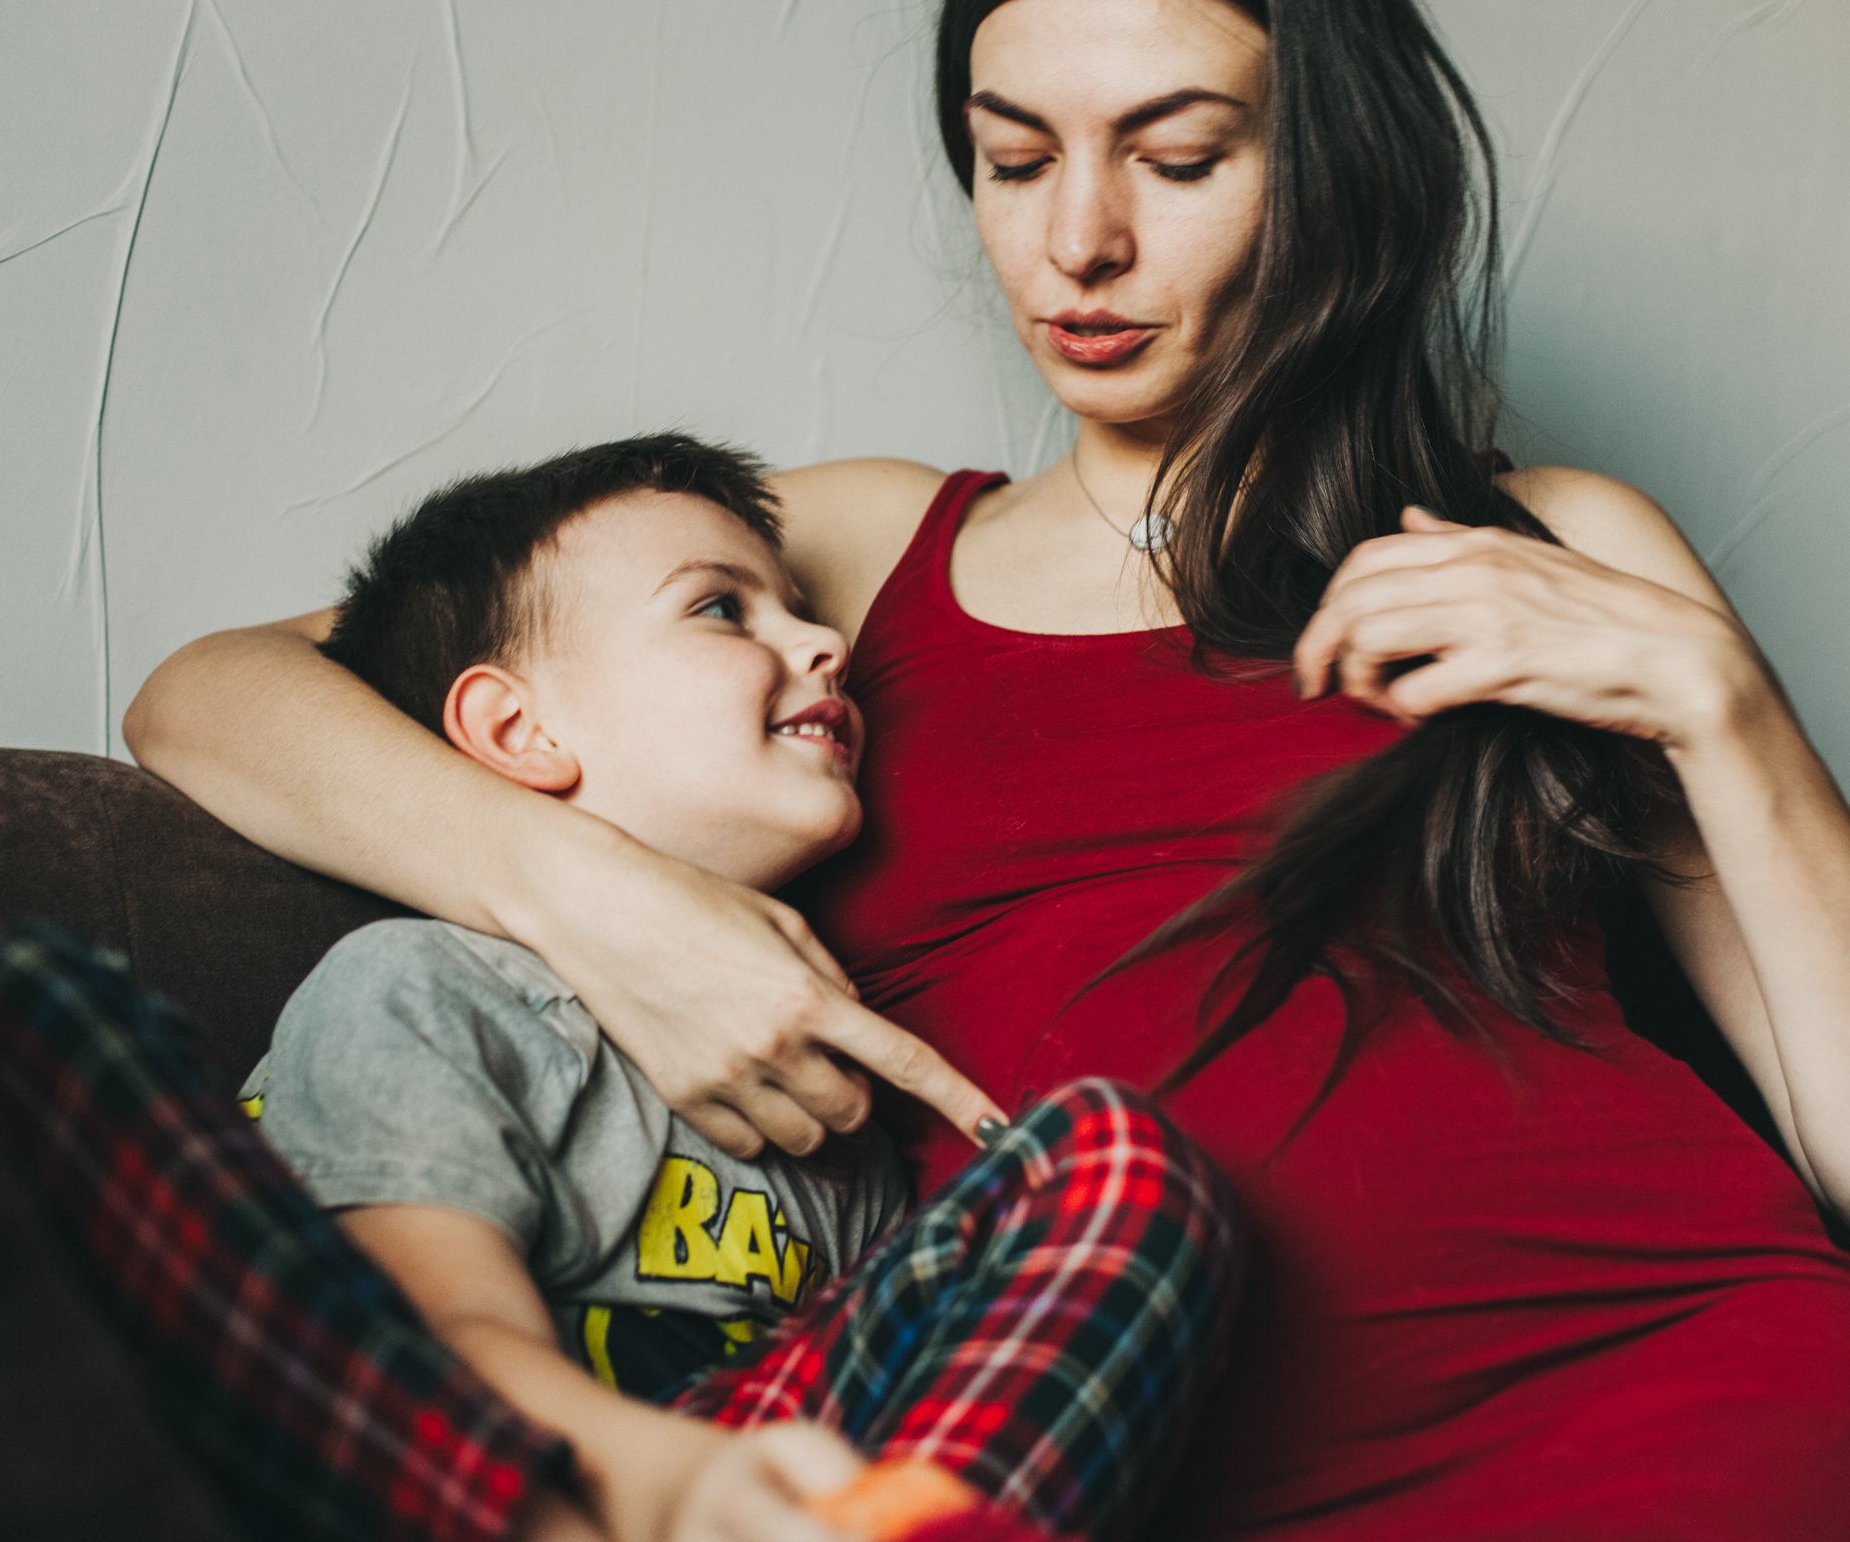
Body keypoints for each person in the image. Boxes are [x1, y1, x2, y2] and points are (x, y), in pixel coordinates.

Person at [126, 0, 1850, 1537]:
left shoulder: (1559, 543)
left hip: (1695, 1399)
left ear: (1330, 172)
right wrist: (599, 903)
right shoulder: (852, 558)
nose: (1080, 241)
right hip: (1110, 1447)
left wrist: (1720, 705)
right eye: (1012, 159)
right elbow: (206, 697)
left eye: (1178, 157)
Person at [239, 432, 1236, 1538]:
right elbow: (424, 1347)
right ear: (519, 729)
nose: (823, 641)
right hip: (505, 1482)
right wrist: (670, 1485)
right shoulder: (425, 995)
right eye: (722, 609)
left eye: (805, 606)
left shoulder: (828, 1103)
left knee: (1111, 1164)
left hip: (777, 1491)